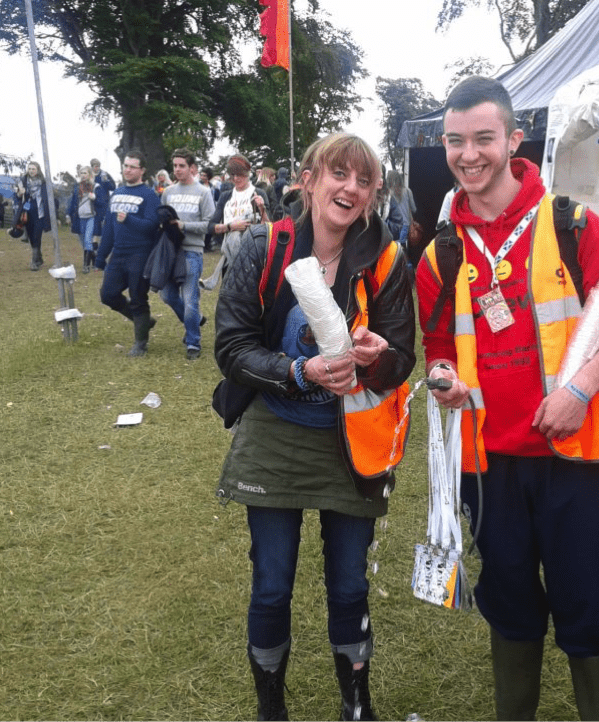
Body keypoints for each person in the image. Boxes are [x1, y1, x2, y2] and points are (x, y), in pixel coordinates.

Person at [417, 76, 599, 722]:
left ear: (514, 140)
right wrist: (441, 379)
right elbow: (437, 347)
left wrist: (577, 390)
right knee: (510, 603)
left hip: (577, 457)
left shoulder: (571, 224)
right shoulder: (442, 252)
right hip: (487, 467)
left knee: (586, 606)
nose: (469, 155)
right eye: (455, 142)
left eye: (483, 138)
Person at [215, 132, 415, 722]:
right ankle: (270, 706)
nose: (349, 188)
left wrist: (377, 356)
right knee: (273, 583)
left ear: (374, 192)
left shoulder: (386, 258)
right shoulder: (264, 246)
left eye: (363, 180)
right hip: (274, 435)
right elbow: (232, 348)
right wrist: (301, 371)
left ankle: (357, 705)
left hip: (352, 439)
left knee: (349, 584)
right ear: (309, 178)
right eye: (339, 174)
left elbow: (403, 357)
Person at [95, 151, 161, 356]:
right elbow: (109, 228)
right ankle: (143, 321)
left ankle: (140, 343)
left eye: (132, 167)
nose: (128, 170)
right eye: (125, 166)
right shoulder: (117, 193)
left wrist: (129, 219)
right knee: (108, 294)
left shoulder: (149, 195)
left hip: (140, 254)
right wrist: (100, 256)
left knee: (138, 297)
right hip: (118, 254)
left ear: (142, 170)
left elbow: (152, 225)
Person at [159, 147, 215, 360]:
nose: (178, 170)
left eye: (182, 165)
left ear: (192, 168)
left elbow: (210, 225)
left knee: (190, 299)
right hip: (170, 252)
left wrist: (184, 226)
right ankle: (194, 319)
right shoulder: (168, 192)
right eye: (175, 166)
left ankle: (193, 342)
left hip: (192, 251)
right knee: (167, 295)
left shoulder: (204, 192)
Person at [200, 154, 268, 291]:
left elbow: (269, 227)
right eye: (232, 175)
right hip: (229, 254)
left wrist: (262, 209)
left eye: (240, 175)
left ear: (248, 173)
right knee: (230, 296)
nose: (236, 179)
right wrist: (230, 226)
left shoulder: (258, 193)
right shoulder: (226, 196)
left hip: (253, 256)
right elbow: (211, 226)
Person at [16, 162, 52, 271]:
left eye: (33, 169)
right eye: (30, 168)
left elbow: (49, 198)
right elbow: (17, 197)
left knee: (37, 235)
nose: (31, 171)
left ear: (38, 170)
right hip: (27, 212)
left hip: (40, 213)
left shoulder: (43, 183)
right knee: (31, 236)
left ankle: (34, 262)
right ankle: (39, 258)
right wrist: (20, 193)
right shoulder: (23, 182)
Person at [67, 166, 103, 273]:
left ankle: (85, 266)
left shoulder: (96, 187)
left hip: (92, 217)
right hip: (80, 218)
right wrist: (68, 214)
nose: (83, 175)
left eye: (85, 173)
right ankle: (95, 260)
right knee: (84, 242)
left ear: (90, 174)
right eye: (81, 173)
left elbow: (103, 204)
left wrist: (94, 198)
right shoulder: (77, 187)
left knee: (88, 239)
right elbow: (73, 201)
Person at [385, 170, 416, 247]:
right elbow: (414, 209)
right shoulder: (408, 191)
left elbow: (386, 214)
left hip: (392, 227)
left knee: (393, 251)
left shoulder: (389, 194)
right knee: (402, 250)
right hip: (406, 225)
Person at [90, 158, 117, 250]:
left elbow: (113, 187)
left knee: (105, 225)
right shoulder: (89, 176)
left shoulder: (104, 174)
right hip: (93, 204)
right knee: (95, 226)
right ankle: (94, 247)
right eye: (95, 166)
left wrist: (106, 181)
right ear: (92, 167)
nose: (97, 168)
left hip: (104, 204)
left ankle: (105, 244)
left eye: (98, 166)